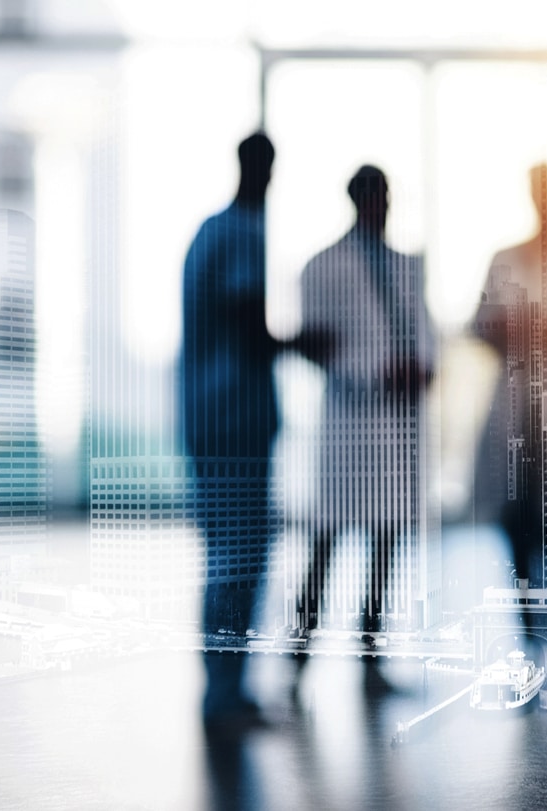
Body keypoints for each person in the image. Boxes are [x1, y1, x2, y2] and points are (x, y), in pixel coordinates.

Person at [297, 165, 435, 692]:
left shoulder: (406, 267)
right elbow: (318, 347)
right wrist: (377, 371)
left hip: (396, 429)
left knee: (386, 544)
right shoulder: (323, 268)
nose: (384, 205)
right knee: (326, 542)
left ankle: (370, 659)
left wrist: (422, 367)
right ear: (358, 200)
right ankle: (298, 657)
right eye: (376, 196)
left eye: (388, 195)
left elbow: (426, 335)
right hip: (352, 425)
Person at [180, 132, 281, 734]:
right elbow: (249, 321)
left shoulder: (206, 233)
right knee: (240, 555)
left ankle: (223, 689)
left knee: (224, 551)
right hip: (236, 420)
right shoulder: (244, 232)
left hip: (206, 417)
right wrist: (306, 344)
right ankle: (225, 692)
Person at [470, 164, 547, 590]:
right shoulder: (506, 259)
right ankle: (531, 623)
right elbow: (478, 325)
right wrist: (519, 327)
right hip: (517, 406)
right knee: (517, 515)